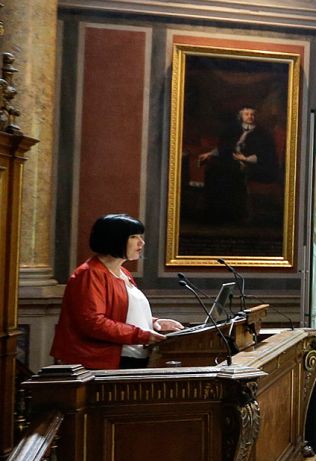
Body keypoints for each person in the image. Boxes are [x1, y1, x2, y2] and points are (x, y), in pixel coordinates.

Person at [51, 214, 185, 370]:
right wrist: (143, 335)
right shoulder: (90, 274)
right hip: (101, 362)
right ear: (114, 239)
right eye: (134, 237)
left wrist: (154, 323)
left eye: (140, 236)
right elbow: (93, 323)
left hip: (131, 356)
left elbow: (124, 312)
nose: (141, 242)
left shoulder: (123, 273)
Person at [198, 105, 278, 223]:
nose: (250, 116)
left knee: (232, 172)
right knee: (213, 169)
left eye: (252, 114)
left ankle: (235, 213)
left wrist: (245, 159)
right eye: (247, 114)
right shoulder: (233, 130)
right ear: (241, 116)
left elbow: (265, 154)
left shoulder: (262, 134)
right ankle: (213, 210)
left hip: (255, 165)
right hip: (232, 161)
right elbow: (225, 147)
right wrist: (210, 154)